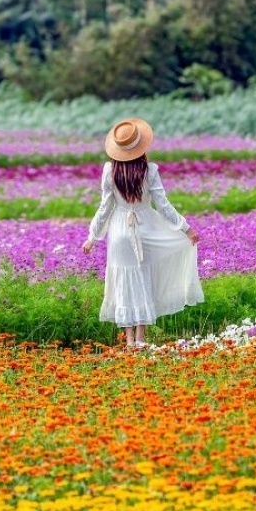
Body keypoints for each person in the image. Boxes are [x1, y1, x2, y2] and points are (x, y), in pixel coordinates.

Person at [82, 117, 204, 348]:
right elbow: (163, 204)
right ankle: (140, 338)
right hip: (146, 227)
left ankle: (128, 340)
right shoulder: (149, 170)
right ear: (141, 146)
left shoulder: (109, 170)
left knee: (123, 281)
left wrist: (93, 236)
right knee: (143, 278)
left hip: (119, 231)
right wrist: (186, 229)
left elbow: (105, 207)